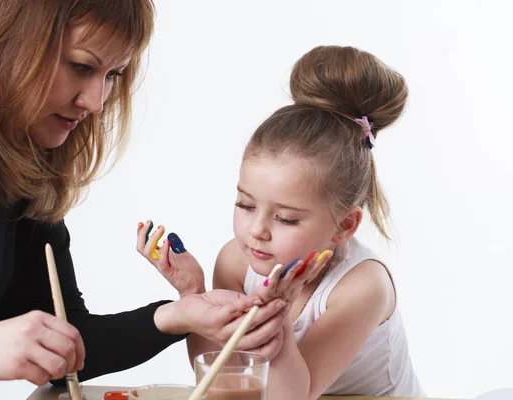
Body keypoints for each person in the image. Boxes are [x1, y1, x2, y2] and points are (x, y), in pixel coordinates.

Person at [0, 1, 288, 398]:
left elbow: (64, 343)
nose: (96, 102)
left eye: (114, 74)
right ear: (14, 38)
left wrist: (176, 316)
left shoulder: (22, 161)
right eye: (80, 66)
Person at [138, 45, 425, 399]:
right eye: (244, 204)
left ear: (344, 227)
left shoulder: (363, 286)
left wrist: (278, 317)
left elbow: (289, 397)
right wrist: (194, 295)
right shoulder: (235, 261)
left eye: (286, 219)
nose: (256, 230)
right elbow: (221, 381)